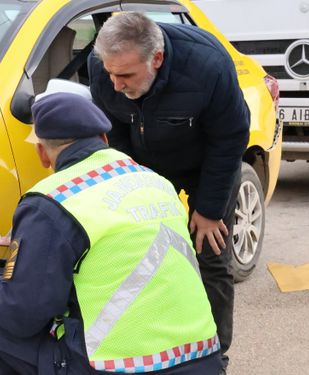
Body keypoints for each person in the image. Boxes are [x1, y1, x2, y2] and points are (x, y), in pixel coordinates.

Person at [0, 92, 223, 374]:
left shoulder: (52, 200)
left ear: (42, 154)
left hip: (122, 368)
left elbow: (20, 315)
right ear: (104, 140)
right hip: (203, 359)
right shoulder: (156, 181)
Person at [87, 12, 250, 373]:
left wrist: (207, 210)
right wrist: (135, 188)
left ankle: (214, 354)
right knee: (143, 254)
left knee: (210, 257)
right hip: (146, 166)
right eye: (110, 74)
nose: (115, 84)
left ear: (156, 59)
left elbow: (231, 137)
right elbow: (113, 132)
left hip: (205, 164)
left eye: (126, 75)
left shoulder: (207, 65)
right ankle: (158, 343)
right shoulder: (105, 68)